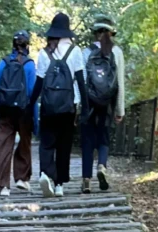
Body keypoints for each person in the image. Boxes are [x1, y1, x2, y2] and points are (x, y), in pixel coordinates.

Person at [29, 12, 89, 198]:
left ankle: (46, 174)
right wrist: (85, 107)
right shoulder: (75, 51)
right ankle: (60, 184)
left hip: (48, 107)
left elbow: (39, 83)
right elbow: (81, 81)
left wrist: (30, 104)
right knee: (64, 144)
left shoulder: (44, 53)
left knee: (46, 143)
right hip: (68, 107)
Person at [81, 14, 125, 193]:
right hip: (108, 102)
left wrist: (80, 107)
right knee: (104, 138)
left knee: (87, 140)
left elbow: (82, 81)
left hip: (89, 102)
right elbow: (120, 82)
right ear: (110, 33)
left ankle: (86, 181)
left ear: (95, 33)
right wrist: (120, 109)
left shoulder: (86, 52)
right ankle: (101, 166)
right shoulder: (117, 52)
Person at [0, 30, 36, 197]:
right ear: (27, 45)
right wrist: (35, 121)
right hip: (24, 111)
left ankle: (3, 186)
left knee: (3, 145)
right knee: (25, 142)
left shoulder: (4, 62)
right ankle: (22, 178)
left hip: (5, 110)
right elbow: (32, 93)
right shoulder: (30, 64)